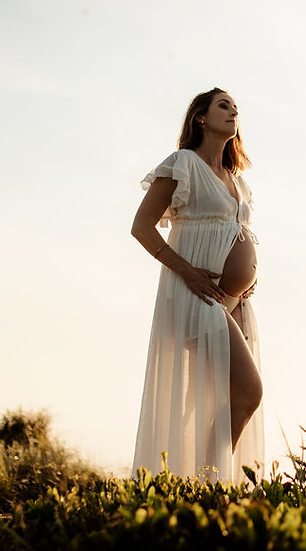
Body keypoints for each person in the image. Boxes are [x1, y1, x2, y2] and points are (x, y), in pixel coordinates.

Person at [130, 87, 263, 482]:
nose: (233, 111)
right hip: (196, 294)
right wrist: (187, 271)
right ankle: (209, 482)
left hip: (234, 300)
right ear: (200, 117)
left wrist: (247, 275)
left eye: (236, 108)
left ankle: (207, 484)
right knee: (249, 392)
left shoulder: (236, 179)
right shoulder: (183, 163)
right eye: (224, 105)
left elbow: (234, 231)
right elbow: (141, 227)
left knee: (223, 399)